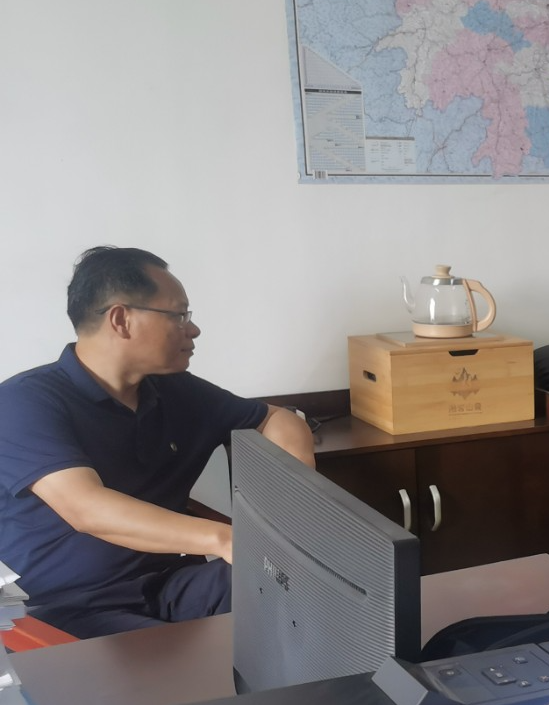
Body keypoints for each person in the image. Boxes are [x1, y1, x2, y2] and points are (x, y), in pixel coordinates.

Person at [0, 246, 316, 638]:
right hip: (68, 608)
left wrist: (288, 512)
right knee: (188, 668)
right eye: (179, 315)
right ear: (121, 320)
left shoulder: (176, 391)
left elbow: (279, 420)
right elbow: (86, 509)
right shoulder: (23, 402)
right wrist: (224, 538)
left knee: (311, 596)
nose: (193, 330)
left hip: (173, 585)